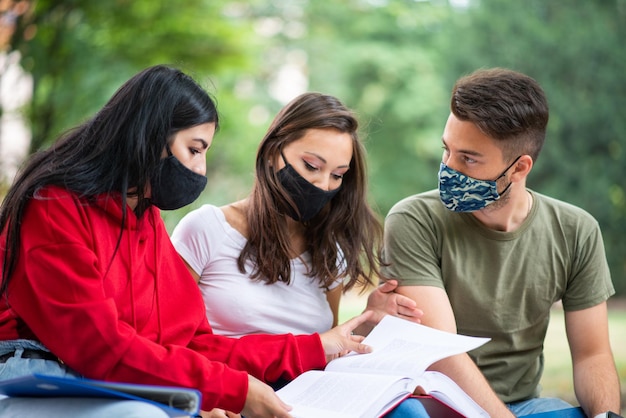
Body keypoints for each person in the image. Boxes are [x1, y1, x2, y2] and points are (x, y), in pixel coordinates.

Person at [0, 64, 376, 418]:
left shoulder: (143, 216)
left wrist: (314, 347)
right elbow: (100, 347)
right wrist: (235, 390)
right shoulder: (52, 207)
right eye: (194, 149)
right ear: (150, 135)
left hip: (95, 381)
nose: (200, 170)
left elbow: (190, 343)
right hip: (29, 375)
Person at [381, 67, 622, 418]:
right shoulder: (413, 219)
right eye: (447, 150)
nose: (449, 167)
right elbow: (442, 354)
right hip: (435, 403)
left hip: (526, 406)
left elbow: (593, 354)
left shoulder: (576, 230)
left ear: (520, 167)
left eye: (468, 158)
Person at [171, 92, 428, 417]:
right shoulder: (206, 229)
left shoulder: (330, 250)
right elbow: (171, 344)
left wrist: (366, 325)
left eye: (337, 175)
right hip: (232, 393)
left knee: (410, 412)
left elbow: (323, 350)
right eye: (311, 166)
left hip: (307, 395)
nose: (322, 185)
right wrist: (211, 399)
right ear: (272, 153)